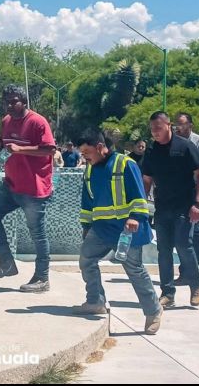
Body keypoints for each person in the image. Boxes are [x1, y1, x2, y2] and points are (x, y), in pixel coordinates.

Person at [74, 129, 162, 335]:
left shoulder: (125, 164)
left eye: (87, 152)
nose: (84, 157)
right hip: (101, 229)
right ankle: (95, 300)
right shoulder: (89, 169)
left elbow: (139, 196)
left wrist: (135, 217)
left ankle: (153, 312)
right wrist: (86, 227)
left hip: (126, 230)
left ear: (99, 147)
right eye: (82, 153)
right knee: (86, 259)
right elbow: (87, 202)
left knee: (134, 269)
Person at [0, 84, 56, 293]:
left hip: (34, 189)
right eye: (6, 101)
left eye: (14, 100)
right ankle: (7, 262)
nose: (9, 104)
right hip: (10, 184)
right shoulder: (6, 121)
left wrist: (20, 149)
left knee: (37, 233)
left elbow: (50, 150)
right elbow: (7, 147)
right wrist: (2, 157)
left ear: (24, 102)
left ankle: (42, 278)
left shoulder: (37, 122)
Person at [142, 111, 199, 308]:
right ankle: (167, 293)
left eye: (159, 128)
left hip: (185, 206)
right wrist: (141, 206)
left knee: (183, 245)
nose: (155, 132)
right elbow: (147, 180)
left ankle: (195, 286)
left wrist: (198, 202)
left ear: (168, 125)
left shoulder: (185, 146)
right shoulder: (152, 151)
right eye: (152, 128)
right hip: (162, 207)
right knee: (163, 250)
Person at [174, 112, 199, 285]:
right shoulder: (173, 143)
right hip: (179, 194)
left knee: (192, 232)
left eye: (182, 124)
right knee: (182, 233)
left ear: (191, 125)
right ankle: (186, 271)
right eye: (176, 124)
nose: (178, 127)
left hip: (197, 194)